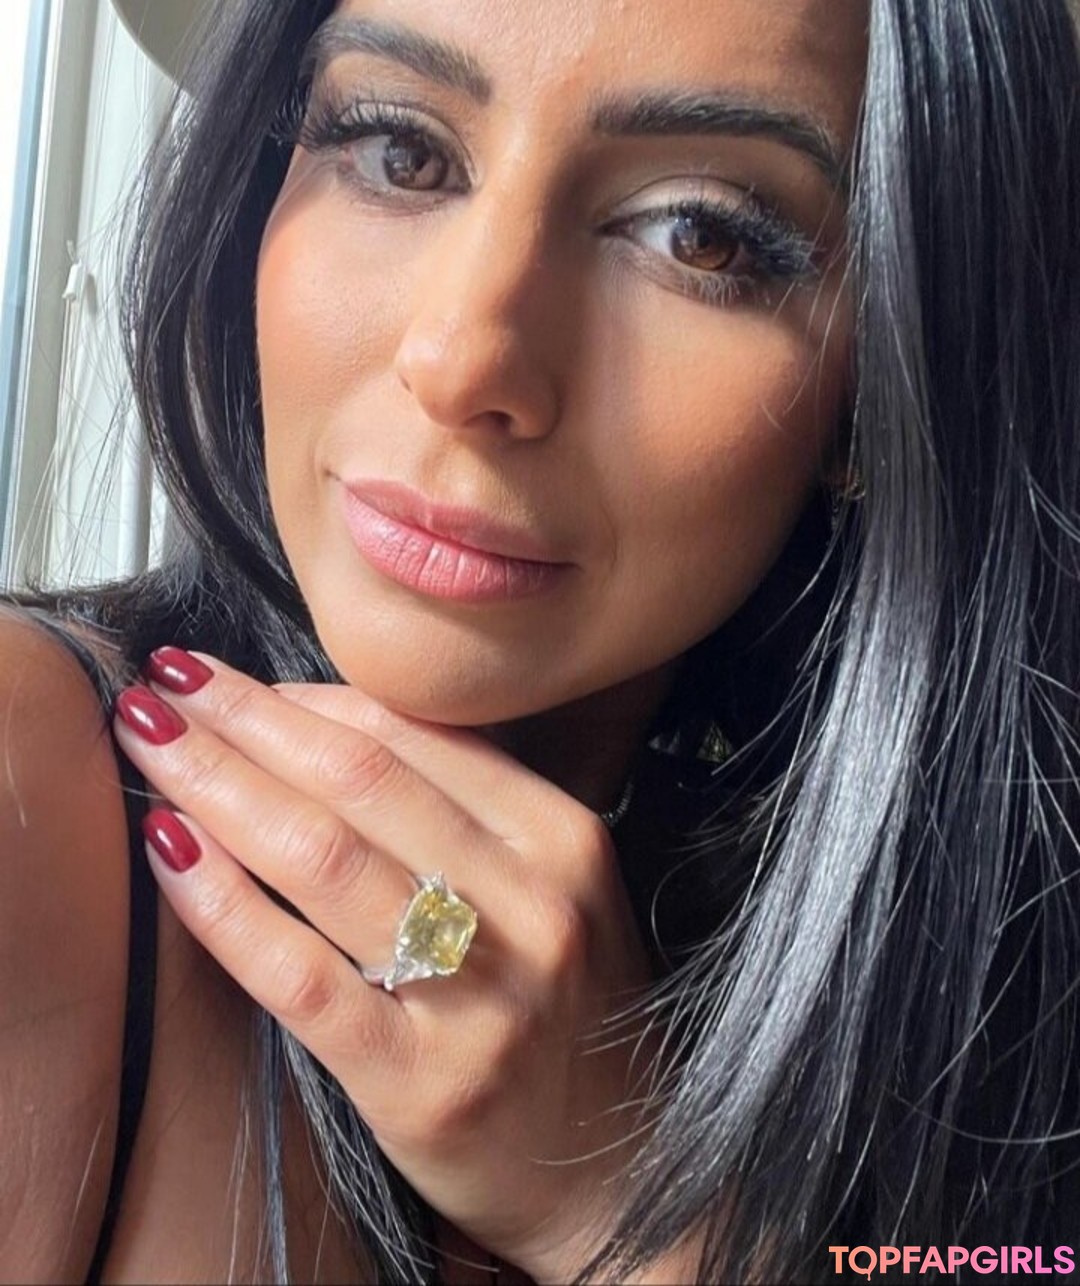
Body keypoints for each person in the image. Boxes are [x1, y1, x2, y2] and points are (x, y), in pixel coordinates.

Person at [2, 0, 1079, 1281]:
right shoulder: (29, 798)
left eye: (700, 233)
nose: (463, 358)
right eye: (400, 149)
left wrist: (637, 1219)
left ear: (884, 385)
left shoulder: (1001, 990)